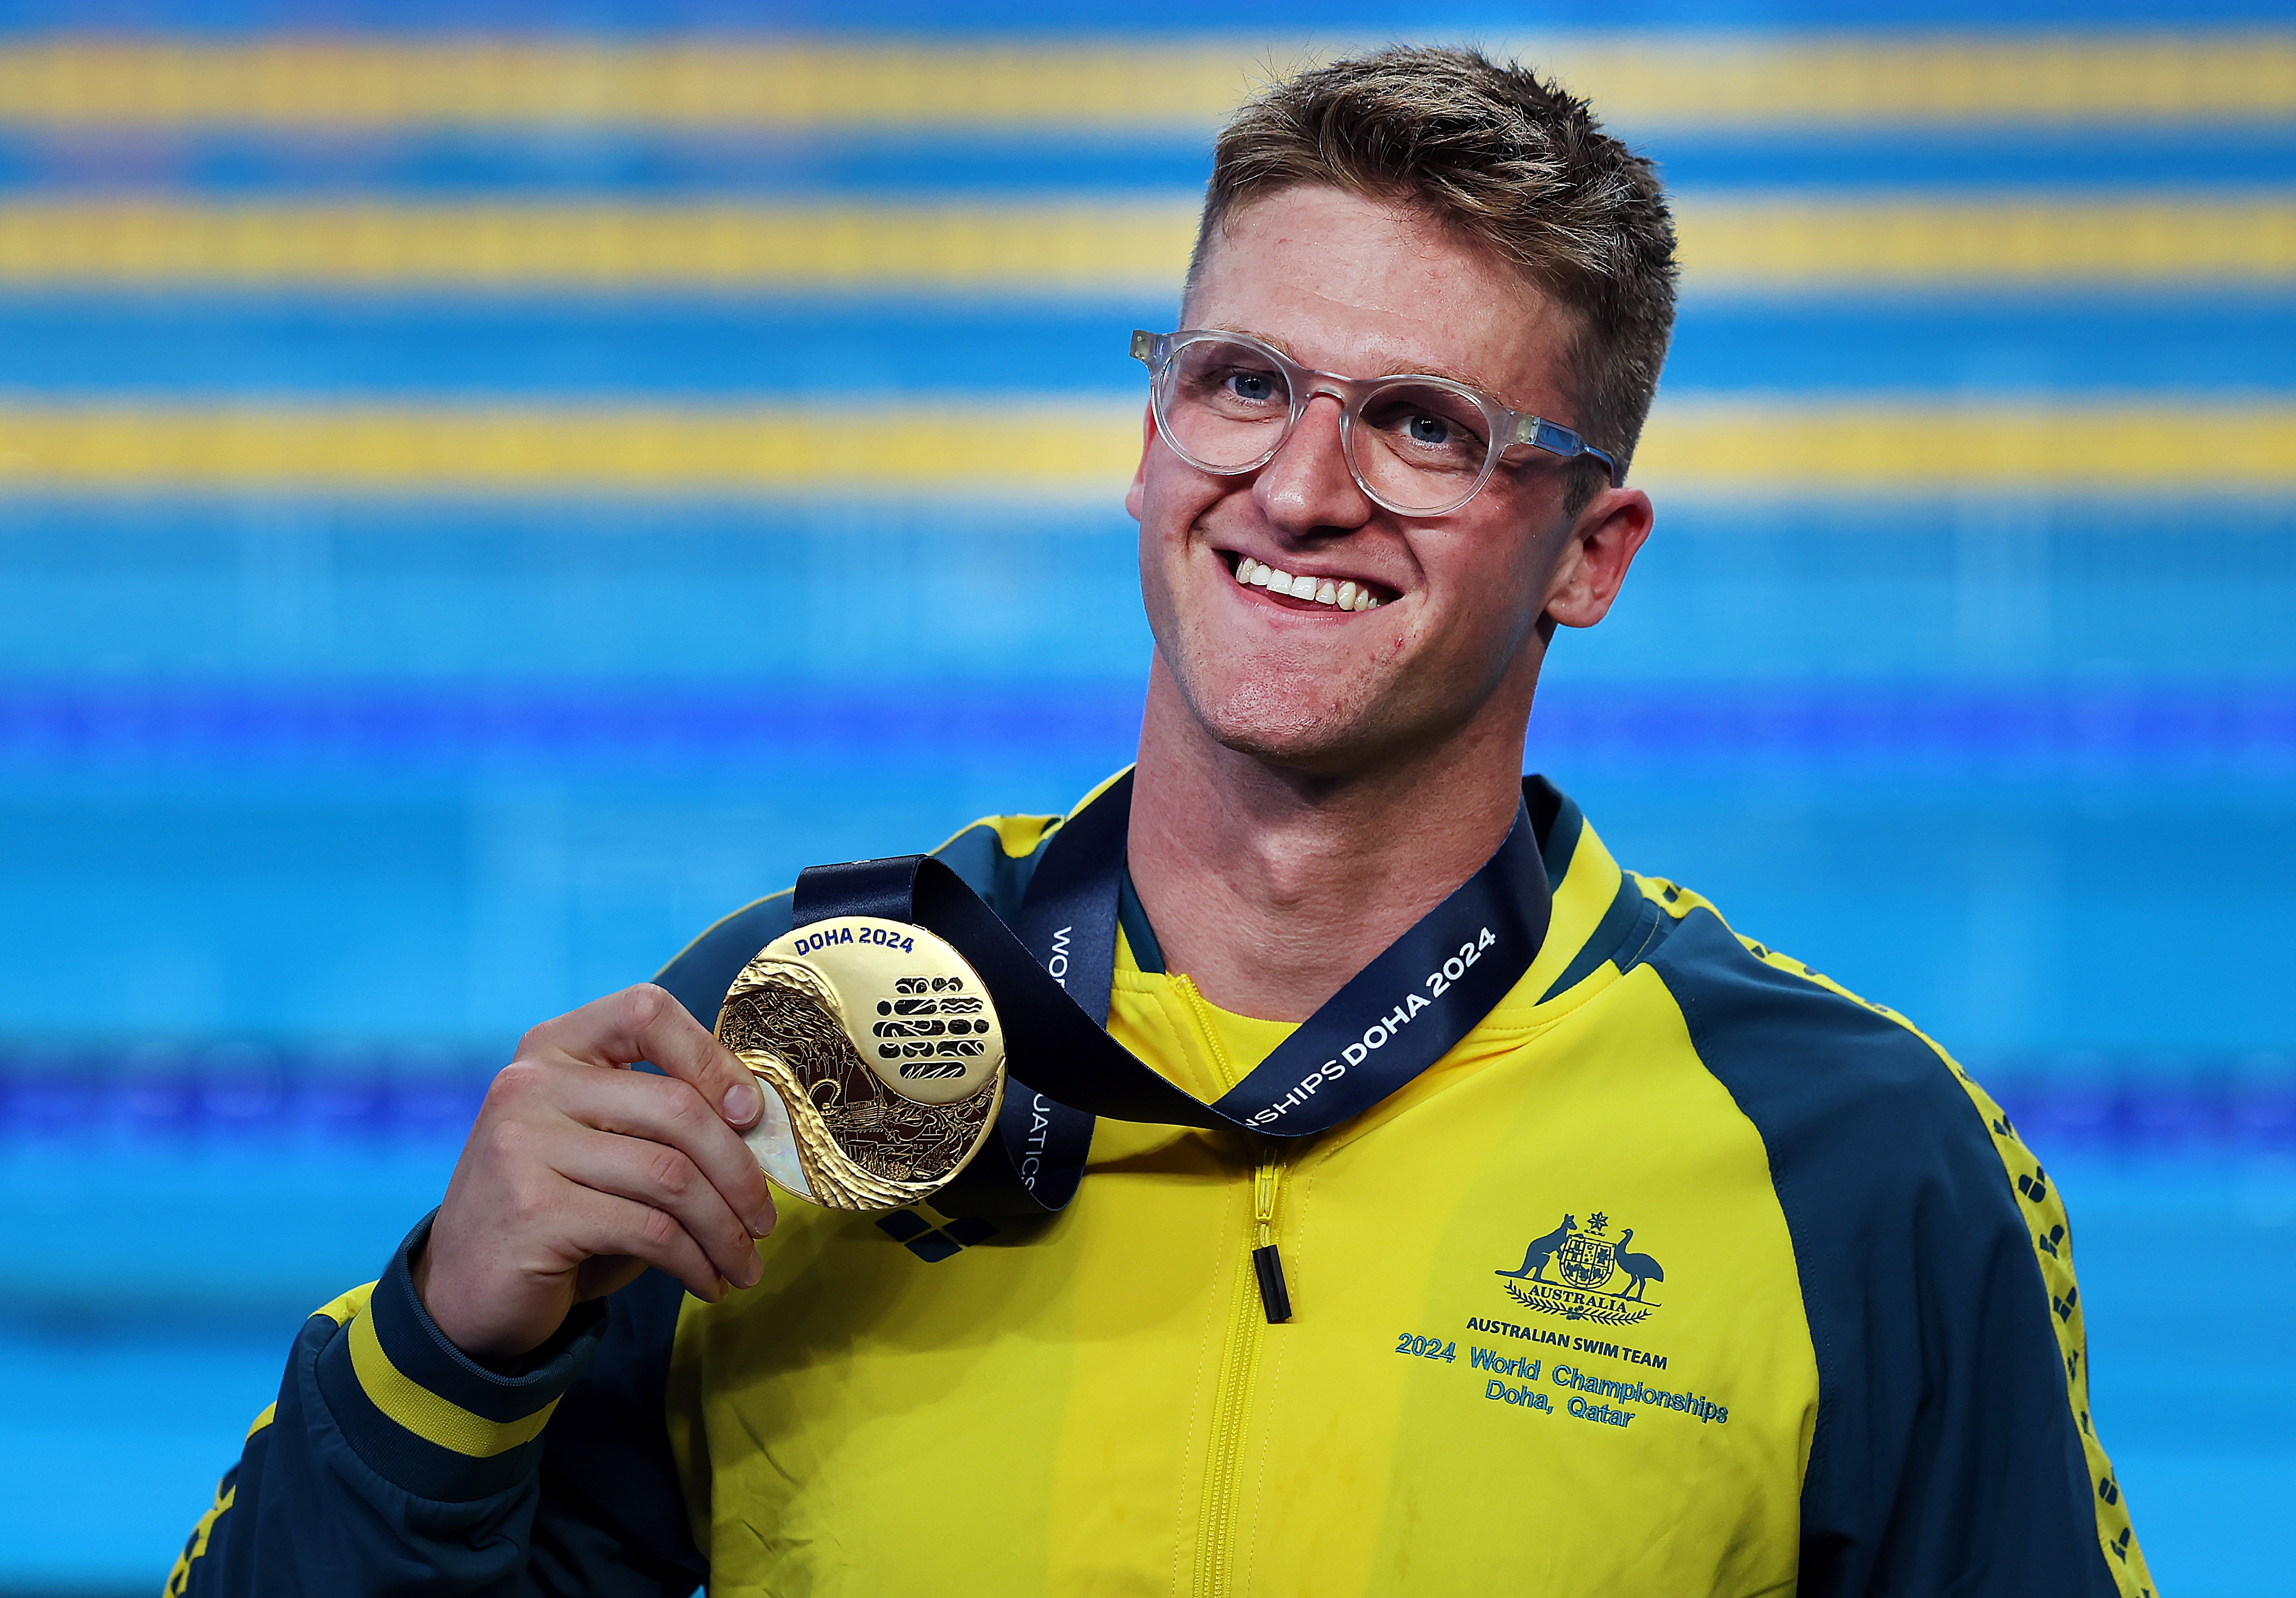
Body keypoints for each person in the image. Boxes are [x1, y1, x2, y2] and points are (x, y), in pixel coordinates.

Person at [169, 46, 2151, 1597]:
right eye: (1244, 382)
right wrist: (446, 1346)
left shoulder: (1850, 1160)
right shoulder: (808, 1028)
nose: (1299, 488)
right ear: (1149, 439)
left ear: (1589, 550)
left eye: (1424, 425)